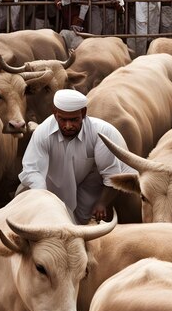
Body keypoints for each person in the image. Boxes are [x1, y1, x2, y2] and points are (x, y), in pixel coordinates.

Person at [18, 89, 134, 224]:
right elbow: (32, 170)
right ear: (55, 114)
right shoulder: (43, 133)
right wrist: (44, 200)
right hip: (52, 181)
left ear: (83, 113)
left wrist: (102, 203)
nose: (68, 126)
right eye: (63, 119)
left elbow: (111, 175)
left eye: (74, 120)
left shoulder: (101, 133)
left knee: (82, 220)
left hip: (93, 178)